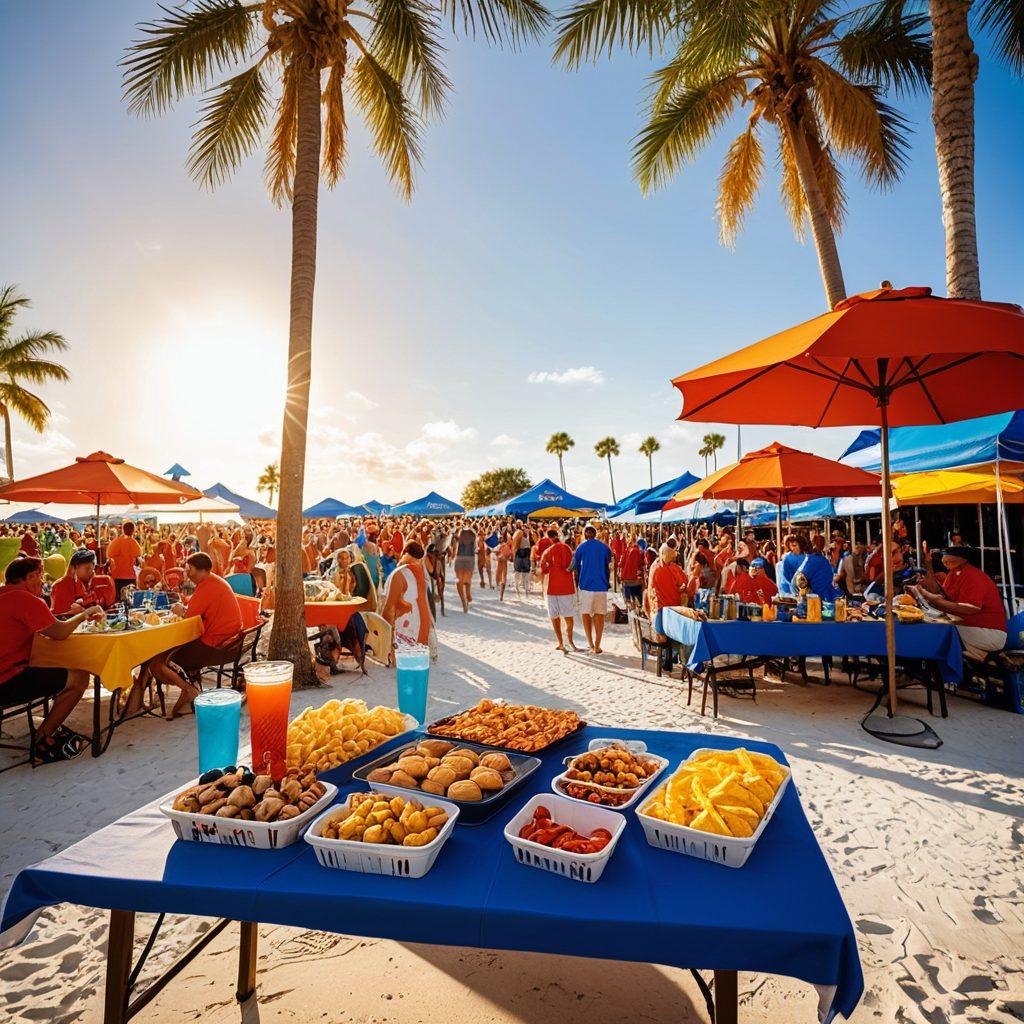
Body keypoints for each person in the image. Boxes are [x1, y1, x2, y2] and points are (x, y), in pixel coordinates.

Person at [0, 557, 104, 763]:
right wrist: (85, 614)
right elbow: (59, 632)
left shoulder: (5, 595)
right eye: (39, 576)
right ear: (29, 577)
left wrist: (71, 616)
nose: (42, 581)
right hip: (7, 681)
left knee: (53, 667)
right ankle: (42, 738)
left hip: (8, 674)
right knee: (79, 678)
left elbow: (48, 623)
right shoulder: (24, 598)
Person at [142, 553, 244, 717]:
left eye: (190, 569)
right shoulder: (214, 581)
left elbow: (188, 616)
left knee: (158, 662)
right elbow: (197, 604)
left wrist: (180, 610)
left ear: (200, 570)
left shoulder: (207, 585)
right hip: (229, 641)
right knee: (164, 656)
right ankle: (190, 687)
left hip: (217, 645)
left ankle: (190, 690)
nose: (188, 574)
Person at [910, 547, 1007, 659]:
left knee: (942, 631)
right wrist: (925, 588)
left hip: (990, 632)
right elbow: (941, 594)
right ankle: (983, 659)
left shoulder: (973, 576)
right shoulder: (953, 573)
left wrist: (933, 598)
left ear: (960, 558)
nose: (943, 560)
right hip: (972, 627)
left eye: (946, 556)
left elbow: (970, 608)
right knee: (938, 627)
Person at [382, 541, 434, 650]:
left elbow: (389, 607)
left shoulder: (400, 573)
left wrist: (385, 631)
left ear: (405, 552)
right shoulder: (421, 573)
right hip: (423, 626)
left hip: (407, 627)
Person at [573, 525, 612, 653]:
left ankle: (590, 642)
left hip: (586, 585)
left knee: (586, 614)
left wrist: (578, 580)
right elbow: (609, 565)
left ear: (585, 534)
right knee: (599, 615)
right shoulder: (605, 548)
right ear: (595, 534)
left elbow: (576, 567)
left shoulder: (581, 547)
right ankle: (597, 644)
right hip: (601, 585)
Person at [540, 530, 578, 653]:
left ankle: (561, 642)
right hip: (567, 587)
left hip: (552, 587)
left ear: (549, 538)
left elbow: (544, 569)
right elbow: (573, 564)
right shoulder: (567, 548)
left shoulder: (547, 551)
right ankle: (570, 640)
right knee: (568, 616)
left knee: (554, 616)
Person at [49, 549, 117, 615]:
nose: (91, 571)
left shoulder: (102, 581)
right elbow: (58, 617)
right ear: (75, 568)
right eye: (87, 568)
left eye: (92, 568)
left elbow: (109, 607)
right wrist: (82, 612)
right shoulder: (60, 586)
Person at [777, 533, 840, 600]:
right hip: (796, 593)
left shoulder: (810, 557)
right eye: (791, 546)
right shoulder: (787, 558)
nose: (792, 548)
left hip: (811, 593)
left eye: (794, 545)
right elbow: (785, 578)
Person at [106, 520, 142, 600]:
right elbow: (138, 556)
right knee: (130, 600)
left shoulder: (116, 542)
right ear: (133, 531)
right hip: (130, 576)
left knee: (118, 600)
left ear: (123, 530)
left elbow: (109, 555)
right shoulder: (133, 542)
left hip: (117, 576)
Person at [451, 522, 477, 613]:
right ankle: (468, 595)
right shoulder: (473, 534)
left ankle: (463, 602)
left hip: (460, 558)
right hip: (470, 558)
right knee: (467, 581)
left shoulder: (459, 535)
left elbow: (454, 547)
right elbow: (475, 548)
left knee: (459, 581)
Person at [620, 534, 644, 605]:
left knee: (630, 600)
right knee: (635, 600)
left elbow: (622, 563)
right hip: (632, 578)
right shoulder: (633, 551)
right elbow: (640, 563)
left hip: (630, 578)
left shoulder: (634, 551)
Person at [511, 522, 532, 598]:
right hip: (521, 553)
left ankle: (525, 589)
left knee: (524, 572)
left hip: (524, 553)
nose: (526, 529)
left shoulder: (525, 535)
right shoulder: (519, 533)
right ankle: (518, 588)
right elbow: (515, 545)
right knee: (519, 572)